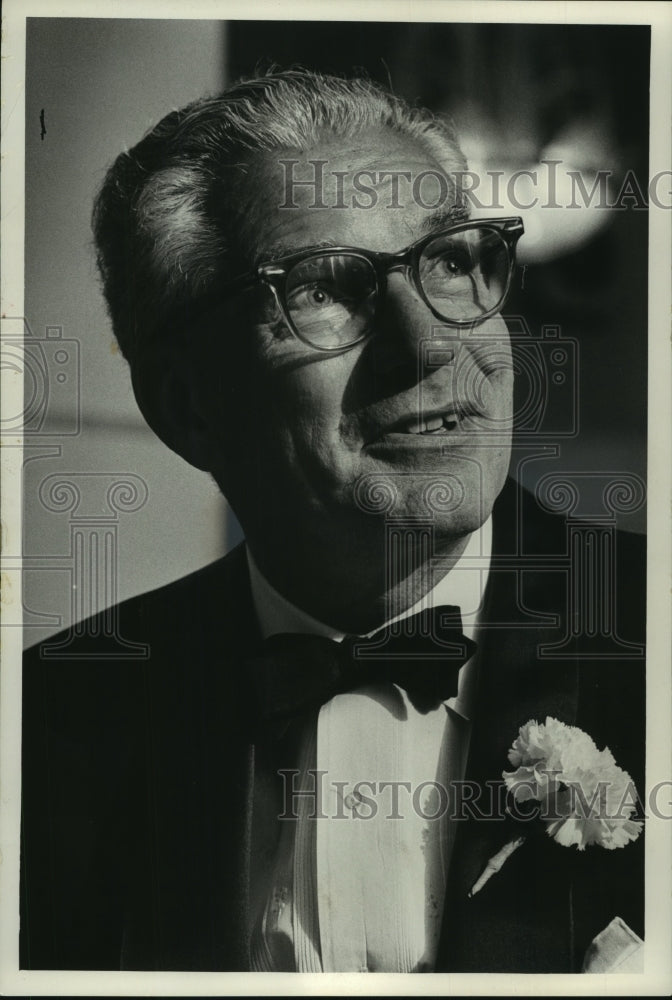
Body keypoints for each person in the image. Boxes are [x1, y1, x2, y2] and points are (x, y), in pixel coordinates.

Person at [20, 69, 645, 974]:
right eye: (322, 289)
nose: (429, 343)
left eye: (451, 261)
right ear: (189, 407)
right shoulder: (50, 730)